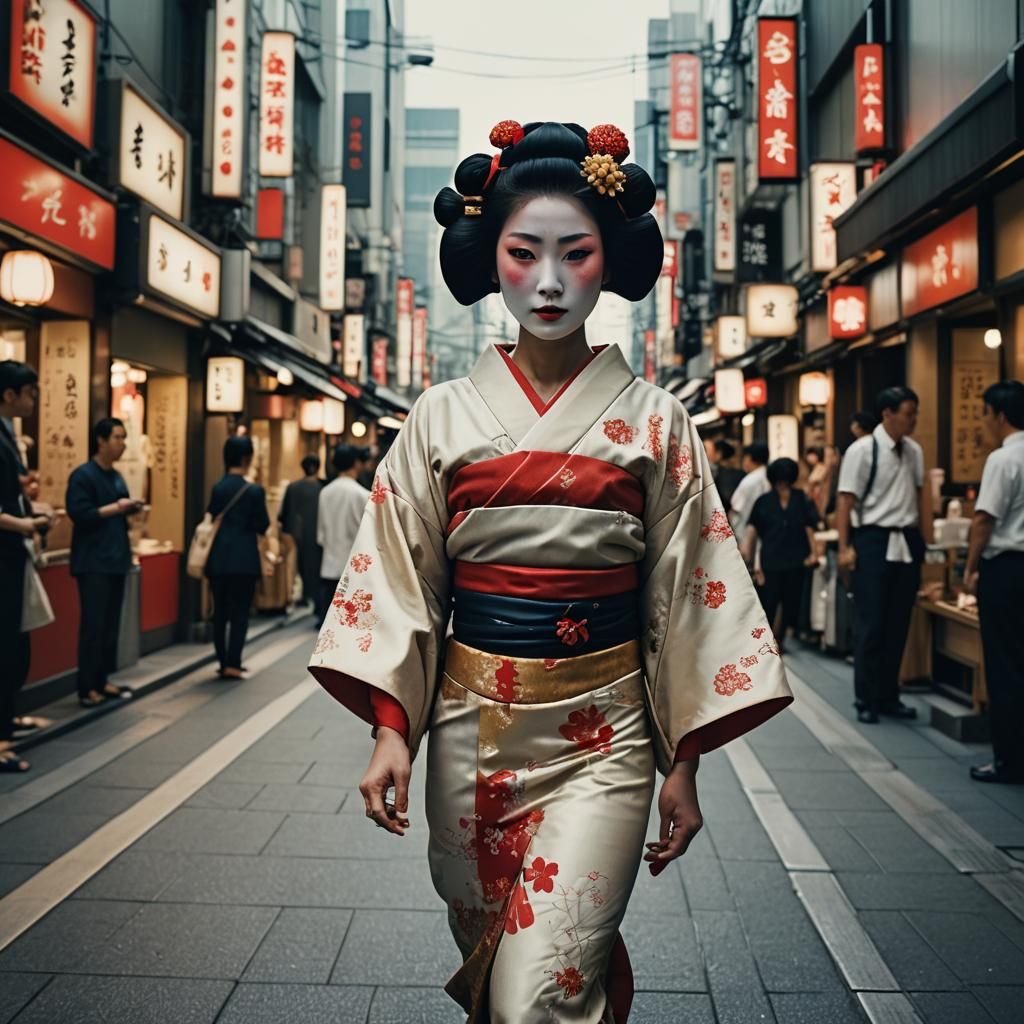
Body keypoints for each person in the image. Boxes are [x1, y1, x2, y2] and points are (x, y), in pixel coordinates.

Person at [308, 120, 792, 1021]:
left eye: (576, 253)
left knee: (542, 986)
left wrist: (683, 759)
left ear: (609, 264)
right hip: (467, 725)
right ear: (491, 261)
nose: (550, 279)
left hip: (606, 734)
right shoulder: (439, 417)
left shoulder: (657, 422)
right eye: (524, 253)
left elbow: (689, 594)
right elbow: (400, 576)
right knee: (500, 961)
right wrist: (389, 727)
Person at [836, 386, 931, 724]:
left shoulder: (914, 452)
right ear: (887, 414)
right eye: (908, 412)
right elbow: (845, 501)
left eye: (915, 412)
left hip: (906, 541)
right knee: (871, 623)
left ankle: (890, 695)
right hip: (873, 540)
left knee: (898, 623)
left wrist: (927, 539)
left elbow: (922, 496)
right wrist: (846, 548)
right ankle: (866, 698)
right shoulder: (863, 451)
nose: (914, 419)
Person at [964, 380, 1024, 784]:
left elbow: (984, 520)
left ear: (1000, 415)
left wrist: (969, 568)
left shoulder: (1004, 460)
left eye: (985, 414)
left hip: (1006, 569)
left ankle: (1009, 760)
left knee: (1004, 666)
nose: (984, 422)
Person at [66, 418, 142, 708]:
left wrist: (128, 509)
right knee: (94, 625)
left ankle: (102, 679)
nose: (122, 444)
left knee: (111, 624)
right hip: (93, 561)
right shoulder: (83, 476)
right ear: (101, 440)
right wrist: (116, 508)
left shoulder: (117, 476)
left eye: (124, 438)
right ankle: (87, 687)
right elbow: (80, 514)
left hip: (116, 559)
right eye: (117, 438)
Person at [0, 362, 53, 772]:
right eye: (29, 393)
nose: (33, 401)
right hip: (4, 554)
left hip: (13, 552)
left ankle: (8, 720)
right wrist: (26, 522)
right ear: (9, 395)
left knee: (15, 641)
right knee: (4, 642)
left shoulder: (8, 435)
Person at [205, 436, 271, 679]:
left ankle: (223, 662)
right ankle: (234, 661)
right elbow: (262, 525)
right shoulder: (254, 490)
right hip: (244, 560)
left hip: (218, 559)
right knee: (240, 612)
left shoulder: (218, 487)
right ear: (247, 458)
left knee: (220, 611)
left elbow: (211, 515)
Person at [742, 458, 819, 651]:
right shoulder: (764, 501)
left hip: (796, 557)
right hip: (772, 558)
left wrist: (814, 552)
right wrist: (747, 557)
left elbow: (809, 526)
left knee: (790, 601)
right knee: (769, 600)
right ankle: (768, 639)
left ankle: (780, 639)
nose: (783, 483)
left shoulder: (802, 497)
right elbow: (752, 530)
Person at [316, 444, 369, 624]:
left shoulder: (325, 492)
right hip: (355, 571)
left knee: (328, 628)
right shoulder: (362, 495)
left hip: (329, 567)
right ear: (356, 463)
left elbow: (321, 535)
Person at [278, 454, 323, 607]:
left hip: (297, 534)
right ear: (318, 467)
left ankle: (304, 595)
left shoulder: (293, 487)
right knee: (316, 566)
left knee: (299, 566)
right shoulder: (322, 487)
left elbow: (284, 514)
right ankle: (315, 598)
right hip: (318, 533)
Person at [729, 442, 770, 539]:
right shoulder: (769, 477)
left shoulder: (748, 481)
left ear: (749, 458)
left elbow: (735, 510)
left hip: (745, 533)